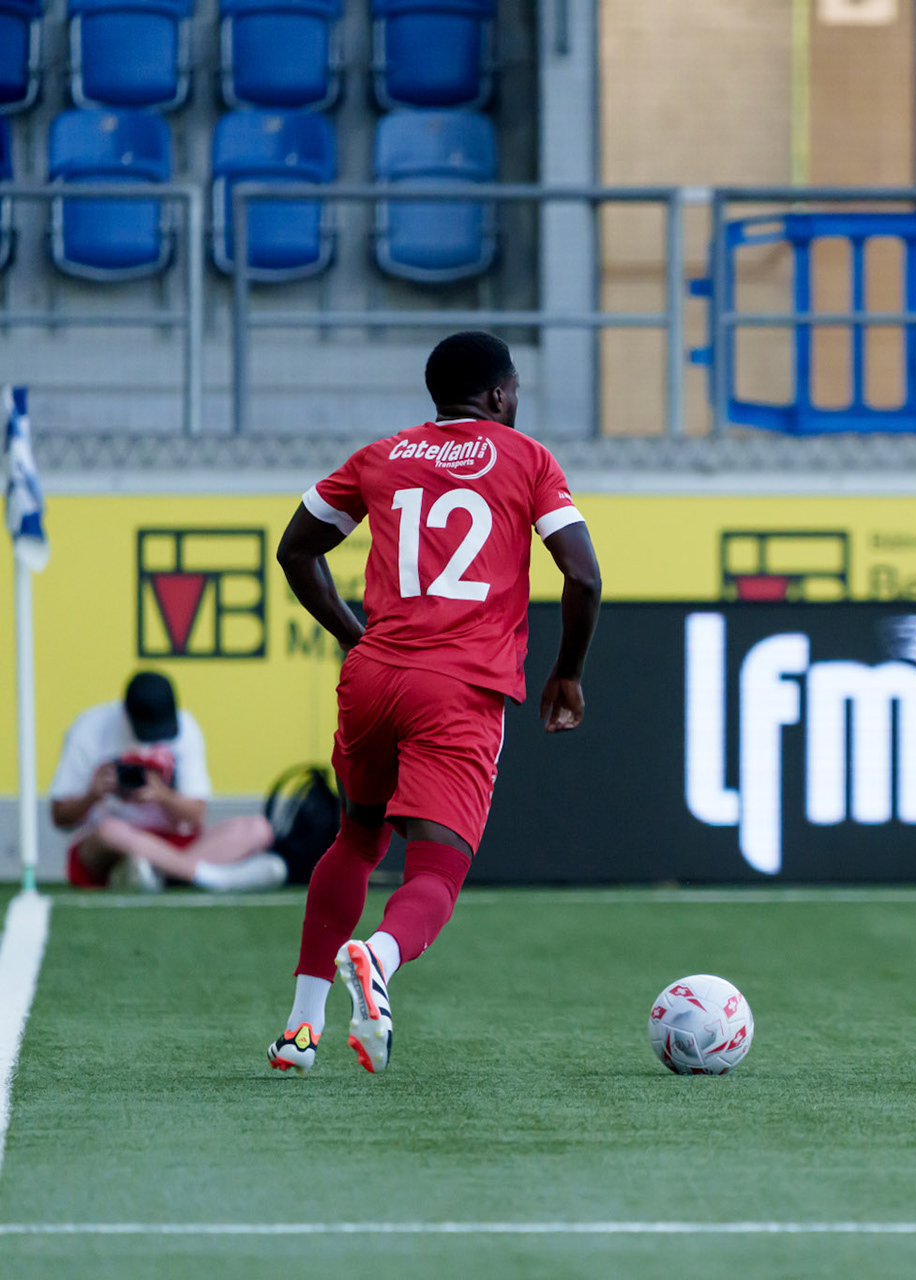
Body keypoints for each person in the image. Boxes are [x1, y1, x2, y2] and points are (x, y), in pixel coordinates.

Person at [268, 331, 602, 1077]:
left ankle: (299, 1028)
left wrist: (359, 638)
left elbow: (296, 550)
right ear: (499, 396)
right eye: (513, 392)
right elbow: (581, 576)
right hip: (459, 688)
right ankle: (378, 957)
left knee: (355, 840)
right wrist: (567, 673)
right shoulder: (529, 459)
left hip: (376, 675)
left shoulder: (381, 455)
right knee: (436, 873)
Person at [50, 672, 285, 893]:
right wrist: (94, 794)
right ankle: (213, 876)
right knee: (109, 830)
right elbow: (60, 817)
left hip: (174, 842)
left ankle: (154, 874)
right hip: (113, 846)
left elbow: (196, 816)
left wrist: (162, 795)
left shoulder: (186, 727)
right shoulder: (90, 728)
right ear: (125, 715)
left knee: (258, 828)